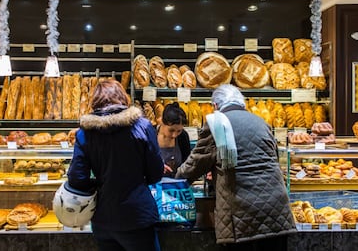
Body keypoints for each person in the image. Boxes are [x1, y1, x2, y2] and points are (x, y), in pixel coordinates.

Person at [175, 84, 296, 250]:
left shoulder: (216, 124)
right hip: (277, 209)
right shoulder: (261, 122)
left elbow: (195, 165)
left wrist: (172, 181)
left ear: (215, 106)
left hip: (241, 213)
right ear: (242, 103)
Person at [67, 79, 164, 251]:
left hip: (103, 219)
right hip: (138, 215)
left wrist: (100, 184)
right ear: (123, 98)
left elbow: (77, 178)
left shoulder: (85, 133)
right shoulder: (142, 126)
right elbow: (156, 173)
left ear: (95, 102)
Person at [156, 102, 191, 178]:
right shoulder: (151, 135)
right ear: (162, 122)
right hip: (154, 185)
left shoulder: (183, 137)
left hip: (177, 185)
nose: (174, 135)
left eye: (179, 131)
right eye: (171, 130)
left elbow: (187, 163)